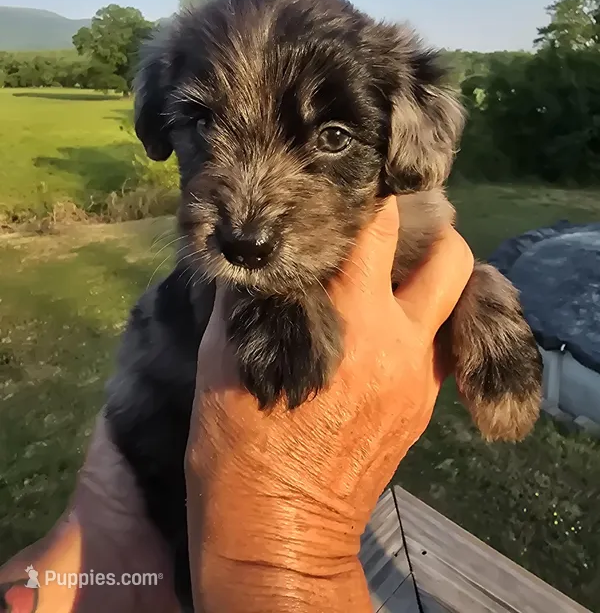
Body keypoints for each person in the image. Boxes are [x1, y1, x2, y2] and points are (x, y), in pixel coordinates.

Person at [0, 197, 474, 613]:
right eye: (206, 125)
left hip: (132, 547)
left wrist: (107, 529)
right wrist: (290, 557)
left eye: (331, 136)